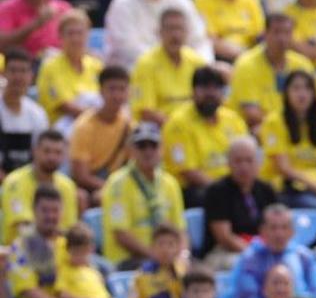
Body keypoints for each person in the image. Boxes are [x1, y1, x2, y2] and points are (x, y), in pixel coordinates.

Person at [101, 122, 185, 267]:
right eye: (142, 146)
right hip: (131, 258)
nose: (148, 151)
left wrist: (183, 255)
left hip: (167, 256)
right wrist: (155, 256)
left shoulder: (170, 183)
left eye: (153, 145)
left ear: (161, 149)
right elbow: (121, 234)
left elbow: (180, 228)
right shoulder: (117, 184)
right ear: (131, 150)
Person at [230, 205, 316, 298]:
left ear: (292, 231)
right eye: (273, 228)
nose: (279, 234)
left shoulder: (304, 257)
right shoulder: (250, 260)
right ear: (262, 231)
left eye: (284, 227)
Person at [160, 67, 247, 208]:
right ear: (193, 91)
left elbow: (247, 157)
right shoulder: (178, 123)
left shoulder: (233, 119)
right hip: (195, 190)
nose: (210, 94)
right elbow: (188, 171)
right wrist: (223, 191)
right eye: (205, 88)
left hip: (232, 187)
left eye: (216, 88)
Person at [229, 12, 314, 132]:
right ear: (265, 34)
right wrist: (284, 126)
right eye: (277, 32)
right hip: (258, 127)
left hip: (296, 125)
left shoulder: (303, 64)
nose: (282, 38)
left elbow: (312, 104)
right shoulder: (246, 65)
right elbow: (251, 113)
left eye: (287, 33)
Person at [203, 137, 278, 265]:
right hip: (226, 252)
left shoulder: (267, 190)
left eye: (249, 160)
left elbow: (276, 226)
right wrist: (254, 254)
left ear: (258, 163)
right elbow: (224, 237)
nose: (244, 166)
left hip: (262, 248)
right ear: (228, 163)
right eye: (238, 161)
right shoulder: (217, 191)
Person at [1, 131, 79, 244]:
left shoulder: (67, 186)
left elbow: (70, 228)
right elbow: (24, 228)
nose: (52, 157)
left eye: (58, 152)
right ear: (35, 151)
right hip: (22, 254)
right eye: (47, 151)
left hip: (60, 253)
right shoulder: (14, 182)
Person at [68, 66, 132, 198]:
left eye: (122, 89)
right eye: (112, 89)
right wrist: (113, 188)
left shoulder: (129, 124)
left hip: (116, 183)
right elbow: (82, 176)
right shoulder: (84, 126)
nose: (117, 95)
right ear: (101, 91)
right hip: (92, 187)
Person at [38, 10, 103, 132]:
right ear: (60, 36)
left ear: (88, 34)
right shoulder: (50, 66)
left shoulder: (97, 66)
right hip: (62, 129)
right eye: (70, 33)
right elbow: (65, 106)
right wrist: (100, 117)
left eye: (80, 33)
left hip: (94, 126)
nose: (75, 39)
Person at [0, 50, 48, 170]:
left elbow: (42, 155)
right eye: (13, 70)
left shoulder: (37, 114)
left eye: (23, 71)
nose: (18, 77)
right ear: (4, 73)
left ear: (31, 76)